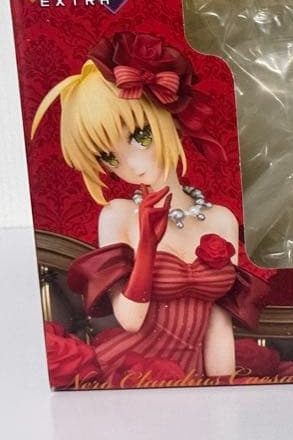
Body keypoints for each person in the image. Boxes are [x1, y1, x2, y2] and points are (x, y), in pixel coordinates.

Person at [32, 32, 266, 379]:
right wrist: (147, 246)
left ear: (170, 119)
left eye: (141, 136)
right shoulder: (118, 215)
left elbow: (217, 324)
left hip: (189, 376)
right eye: (109, 156)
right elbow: (130, 320)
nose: (132, 165)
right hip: (130, 370)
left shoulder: (221, 220)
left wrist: (222, 389)